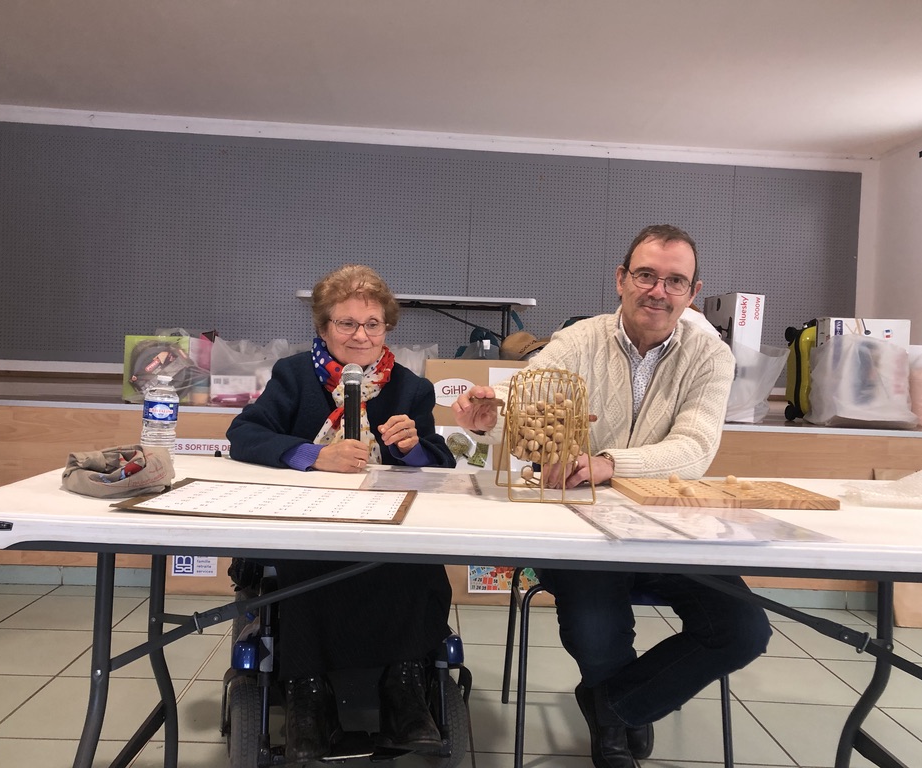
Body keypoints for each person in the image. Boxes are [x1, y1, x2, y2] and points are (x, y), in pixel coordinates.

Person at [452, 224, 772, 768]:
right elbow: (531, 393)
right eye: (646, 275)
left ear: (693, 292)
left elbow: (696, 448)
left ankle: (615, 708)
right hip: (580, 528)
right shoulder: (580, 340)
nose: (658, 291)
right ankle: (621, 719)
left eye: (675, 281)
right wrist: (489, 414)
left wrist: (608, 464)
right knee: (596, 630)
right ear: (621, 279)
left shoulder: (709, 355)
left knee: (742, 629)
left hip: (670, 530)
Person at [227, 264, 456, 762]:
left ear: (387, 328)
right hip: (310, 519)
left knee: (414, 560)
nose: (360, 335)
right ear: (324, 327)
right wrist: (312, 456)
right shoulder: (294, 376)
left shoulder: (411, 388)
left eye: (372, 324)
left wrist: (412, 448)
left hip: (383, 519)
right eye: (346, 323)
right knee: (307, 561)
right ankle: (308, 695)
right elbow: (244, 434)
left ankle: (403, 687)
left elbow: (439, 460)